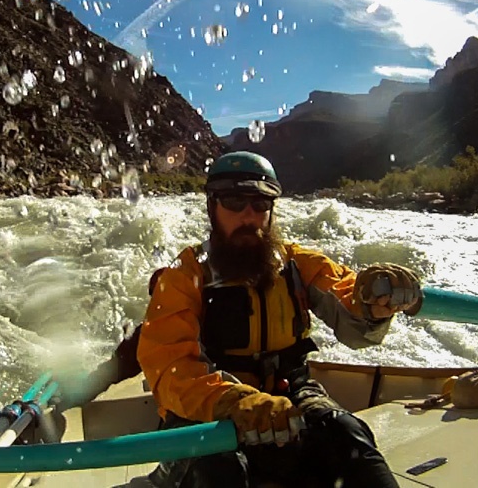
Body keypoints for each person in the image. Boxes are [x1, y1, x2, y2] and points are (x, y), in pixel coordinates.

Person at [134, 151, 423, 488]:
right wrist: (234, 400)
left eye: (260, 204)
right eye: (234, 201)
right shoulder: (184, 275)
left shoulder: (297, 263)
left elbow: (349, 303)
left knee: (347, 434)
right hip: (207, 408)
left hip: (288, 391)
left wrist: (373, 304)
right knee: (218, 469)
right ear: (213, 206)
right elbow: (170, 368)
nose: (248, 215)